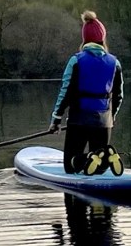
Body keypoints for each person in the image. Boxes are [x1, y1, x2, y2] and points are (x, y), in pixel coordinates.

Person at [49, 10, 124, 174]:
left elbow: (66, 92)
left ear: (85, 40)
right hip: (104, 120)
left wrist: (56, 119)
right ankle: (103, 158)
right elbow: (119, 95)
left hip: (79, 120)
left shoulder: (76, 60)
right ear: (102, 39)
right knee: (99, 169)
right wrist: (113, 116)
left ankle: (90, 157)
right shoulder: (115, 63)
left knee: (70, 166)